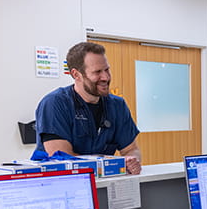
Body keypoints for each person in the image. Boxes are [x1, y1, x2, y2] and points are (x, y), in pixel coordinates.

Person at [35, 42, 142, 174]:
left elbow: (131, 149)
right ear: (76, 74)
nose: (106, 77)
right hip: (59, 182)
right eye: (97, 72)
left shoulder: (117, 105)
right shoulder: (54, 104)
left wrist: (132, 161)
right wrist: (110, 164)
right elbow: (63, 159)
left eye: (107, 70)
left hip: (103, 182)